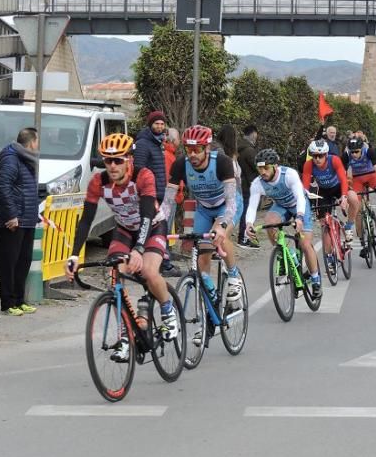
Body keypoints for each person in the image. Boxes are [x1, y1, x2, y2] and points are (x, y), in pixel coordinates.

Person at [65, 134, 179, 360]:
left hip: (153, 226)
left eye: (118, 160)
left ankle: (168, 311)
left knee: (147, 271)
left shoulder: (143, 176)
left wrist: (138, 249)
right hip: (125, 229)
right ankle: (126, 334)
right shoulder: (98, 182)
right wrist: (74, 255)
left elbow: (147, 215)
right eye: (108, 161)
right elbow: (85, 221)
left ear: (129, 159)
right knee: (114, 273)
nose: (113, 166)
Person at [160, 125, 243, 304]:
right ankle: (210, 293)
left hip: (227, 205)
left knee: (220, 235)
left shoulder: (222, 162)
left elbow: (231, 204)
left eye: (197, 149)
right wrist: (157, 223)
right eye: (188, 149)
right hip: (204, 208)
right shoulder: (181, 164)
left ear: (207, 148)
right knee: (202, 251)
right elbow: (167, 203)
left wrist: (222, 226)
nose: (192, 155)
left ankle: (234, 276)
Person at [244, 148, 321, 297]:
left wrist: (299, 217)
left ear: (275, 166)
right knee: (269, 222)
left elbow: (300, 197)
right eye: (259, 168)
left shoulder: (289, 175)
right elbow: (252, 206)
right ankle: (284, 253)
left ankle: (315, 278)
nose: (262, 172)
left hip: (299, 205)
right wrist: (249, 224)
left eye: (266, 168)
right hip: (281, 206)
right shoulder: (257, 183)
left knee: (305, 244)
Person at [0, 127, 40, 316]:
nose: (38, 146)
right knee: (9, 262)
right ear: (31, 142)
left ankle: (19, 299)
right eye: (37, 142)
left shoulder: (25, 159)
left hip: (27, 218)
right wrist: (12, 214)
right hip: (15, 219)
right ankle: (7, 302)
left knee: (24, 261)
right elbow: (3, 187)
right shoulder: (11, 158)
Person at [133, 110, 179, 276]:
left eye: (162, 124)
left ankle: (156, 262)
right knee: (157, 227)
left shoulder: (158, 142)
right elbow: (138, 169)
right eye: (156, 123)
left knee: (156, 227)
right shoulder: (144, 144)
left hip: (160, 191)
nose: (159, 126)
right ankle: (163, 264)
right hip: (150, 193)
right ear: (150, 125)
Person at [303, 138, 358, 256]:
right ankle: (329, 256)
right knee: (324, 224)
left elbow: (343, 179)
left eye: (321, 156)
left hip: (338, 187)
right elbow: (305, 188)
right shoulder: (309, 164)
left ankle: (349, 226)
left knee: (353, 198)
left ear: (326, 154)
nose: (317, 159)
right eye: (314, 156)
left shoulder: (334, 160)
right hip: (323, 192)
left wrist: (343, 197)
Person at [343, 135, 376, 235]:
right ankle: (359, 236)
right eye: (352, 152)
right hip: (357, 178)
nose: (354, 154)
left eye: (356, 151)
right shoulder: (346, 155)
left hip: (371, 175)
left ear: (361, 149)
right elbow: (341, 172)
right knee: (355, 204)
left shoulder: (368, 151)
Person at [236, 125, 260, 248]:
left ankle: (244, 237)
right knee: (248, 212)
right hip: (249, 185)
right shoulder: (249, 151)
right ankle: (244, 238)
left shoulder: (239, 148)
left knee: (245, 211)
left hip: (241, 184)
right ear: (253, 134)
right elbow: (258, 167)